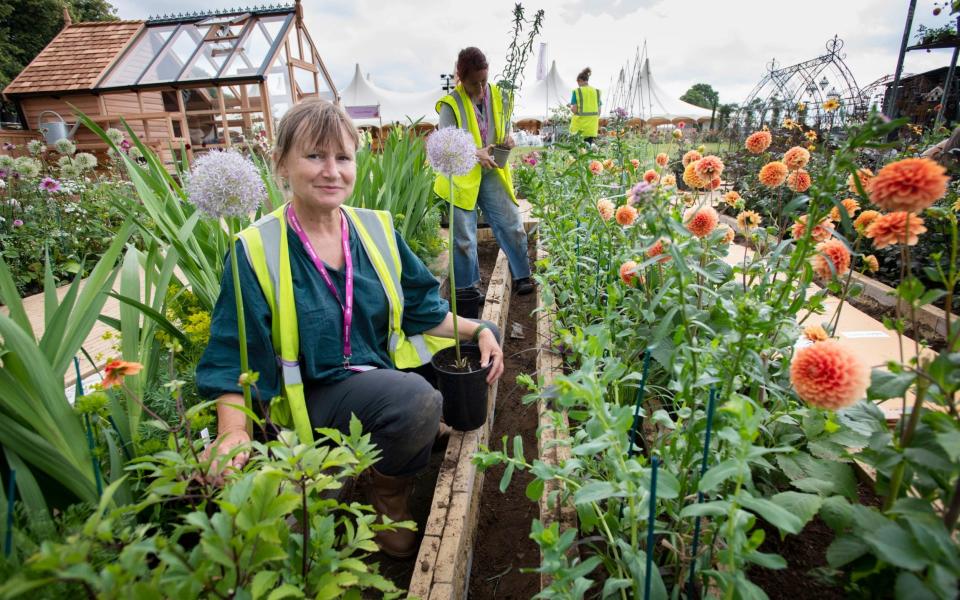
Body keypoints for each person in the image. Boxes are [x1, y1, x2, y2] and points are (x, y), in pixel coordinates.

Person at [196, 98, 505, 559]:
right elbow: (232, 352)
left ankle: (396, 461)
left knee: (430, 392)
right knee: (416, 400)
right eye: (314, 156)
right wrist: (232, 432)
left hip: (373, 377)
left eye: (343, 157)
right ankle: (387, 497)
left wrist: (479, 329)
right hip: (311, 401)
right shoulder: (255, 248)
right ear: (281, 164)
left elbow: (422, 310)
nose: (331, 171)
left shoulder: (374, 230)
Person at [435, 46, 535, 297]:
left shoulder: (500, 96)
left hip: (492, 170)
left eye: (484, 81)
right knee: (464, 239)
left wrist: (508, 141)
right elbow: (444, 149)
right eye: (474, 83)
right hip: (461, 177)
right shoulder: (451, 104)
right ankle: (468, 290)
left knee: (511, 222)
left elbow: (503, 128)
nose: (480, 90)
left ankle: (522, 274)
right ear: (460, 76)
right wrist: (472, 152)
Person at [569, 67, 602, 144]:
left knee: (578, 152)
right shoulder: (596, 92)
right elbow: (599, 112)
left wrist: (570, 107)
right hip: (592, 128)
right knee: (588, 151)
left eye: (578, 82)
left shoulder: (577, 91)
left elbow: (574, 110)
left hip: (579, 128)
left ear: (580, 80)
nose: (578, 85)